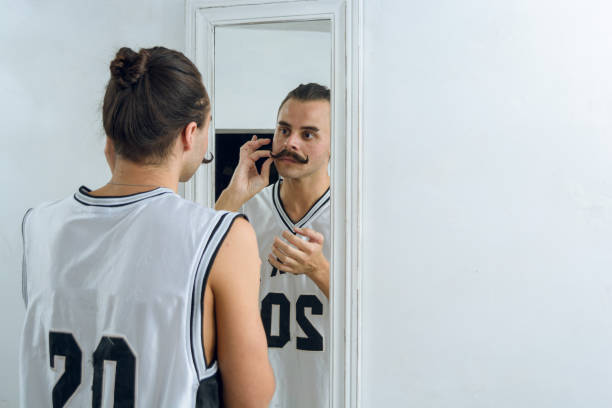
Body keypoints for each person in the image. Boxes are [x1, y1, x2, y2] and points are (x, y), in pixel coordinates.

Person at [19, 46, 274, 408]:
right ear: (190, 134)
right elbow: (252, 398)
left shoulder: (38, 226)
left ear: (112, 138)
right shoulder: (229, 237)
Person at [216, 83, 331, 407]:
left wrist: (319, 269)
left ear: (337, 143)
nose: (290, 143)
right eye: (284, 129)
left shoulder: (353, 218)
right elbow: (195, 278)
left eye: (308, 134)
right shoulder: (248, 208)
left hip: (324, 393)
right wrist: (233, 195)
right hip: (256, 395)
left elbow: (378, 320)